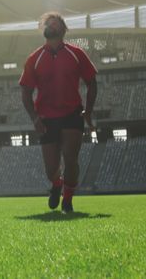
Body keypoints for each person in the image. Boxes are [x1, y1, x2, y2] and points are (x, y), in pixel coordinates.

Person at [19, 12, 97, 213]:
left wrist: (88, 111)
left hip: (72, 114)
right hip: (46, 118)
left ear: (62, 30)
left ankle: (68, 200)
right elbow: (25, 92)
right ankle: (56, 183)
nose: (49, 26)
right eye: (47, 23)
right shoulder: (34, 58)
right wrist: (35, 118)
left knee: (71, 158)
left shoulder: (76, 53)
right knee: (50, 169)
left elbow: (92, 82)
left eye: (53, 23)